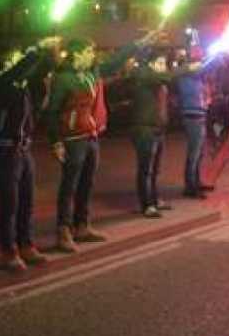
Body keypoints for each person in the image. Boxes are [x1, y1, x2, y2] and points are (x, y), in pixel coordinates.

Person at [46, 33, 156, 253]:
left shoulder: (91, 73)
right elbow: (51, 112)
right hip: (72, 139)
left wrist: (138, 43)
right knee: (69, 186)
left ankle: (82, 226)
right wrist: (55, 142)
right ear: (77, 53)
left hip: (90, 136)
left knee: (87, 184)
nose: (92, 55)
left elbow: (114, 62)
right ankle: (63, 231)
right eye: (88, 51)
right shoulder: (63, 78)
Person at [0, 36, 58, 271]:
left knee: (27, 202)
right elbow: (14, 76)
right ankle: (9, 251)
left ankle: (26, 244)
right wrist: (35, 49)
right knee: (9, 204)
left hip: (25, 149)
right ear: (6, 59)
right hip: (6, 150)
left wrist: (50, 52)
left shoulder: (20, 81)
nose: (21, 60)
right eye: (17, 56)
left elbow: (40, 69)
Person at [127, 50, 198, 218]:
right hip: (144, 129)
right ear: (150, 64)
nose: (162, 67)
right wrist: (187, 67)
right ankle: (147, 205)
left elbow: (169, 78)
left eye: (164, 64)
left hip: (157, 129)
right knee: (145, 169)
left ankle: (154, 199)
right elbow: (168, 75)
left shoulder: (159, 80)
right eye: (159, 63)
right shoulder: (144, 75)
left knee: (155, 168)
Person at [173, 46, 210, 198]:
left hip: (199, 116)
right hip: (192, 116)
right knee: (194, 153)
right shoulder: (185, 74)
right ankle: (190, 186)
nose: (197, 60)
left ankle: (196, 182)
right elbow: (199, 68)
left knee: (199, 153)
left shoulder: (194, 77)